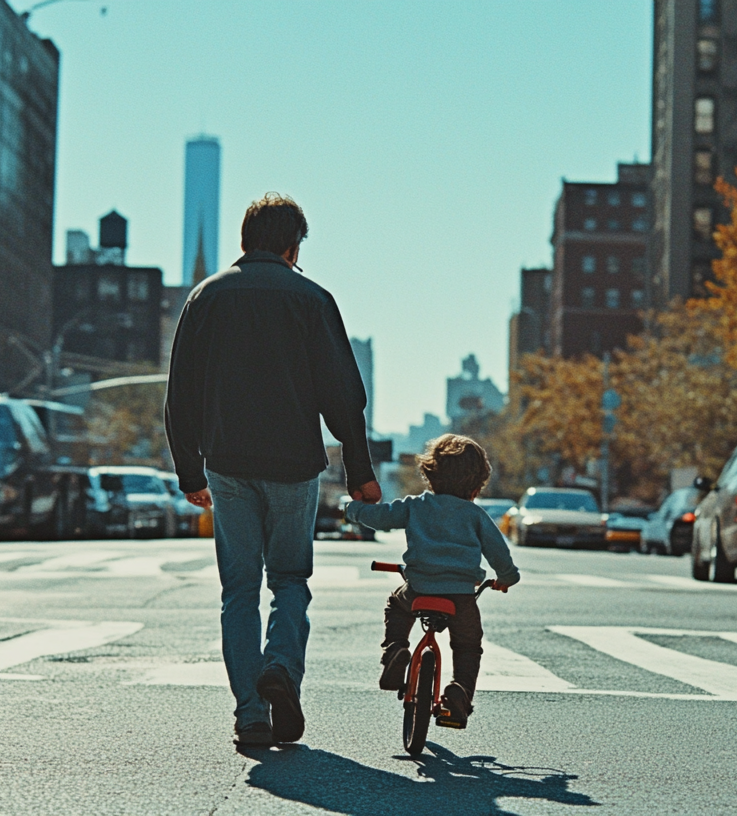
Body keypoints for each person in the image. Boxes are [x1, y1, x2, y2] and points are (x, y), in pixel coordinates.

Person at [165, 193, 379, 748]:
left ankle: (250, 714)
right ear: (292, 245)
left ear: (244, 240)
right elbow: (343, 395)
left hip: (227, 464)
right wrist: (359, 471)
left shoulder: (205, 297)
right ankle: (280, 666)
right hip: (293, 465)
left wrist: (189, 471)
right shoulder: (312, 299)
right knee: (289, 581)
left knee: (238, 590)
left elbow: (180, 392)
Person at [343, 434, 520, 730]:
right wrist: (507, 578)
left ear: (429, 476)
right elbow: (498, 553)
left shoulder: (415, 506)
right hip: (461, 597)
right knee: (467, 646)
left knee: (396, 605)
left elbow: (381, 518)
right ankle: (459, 694)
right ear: (476, 487)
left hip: (418, 589)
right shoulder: (475, 515)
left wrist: (354, 510)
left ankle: (396, 651)